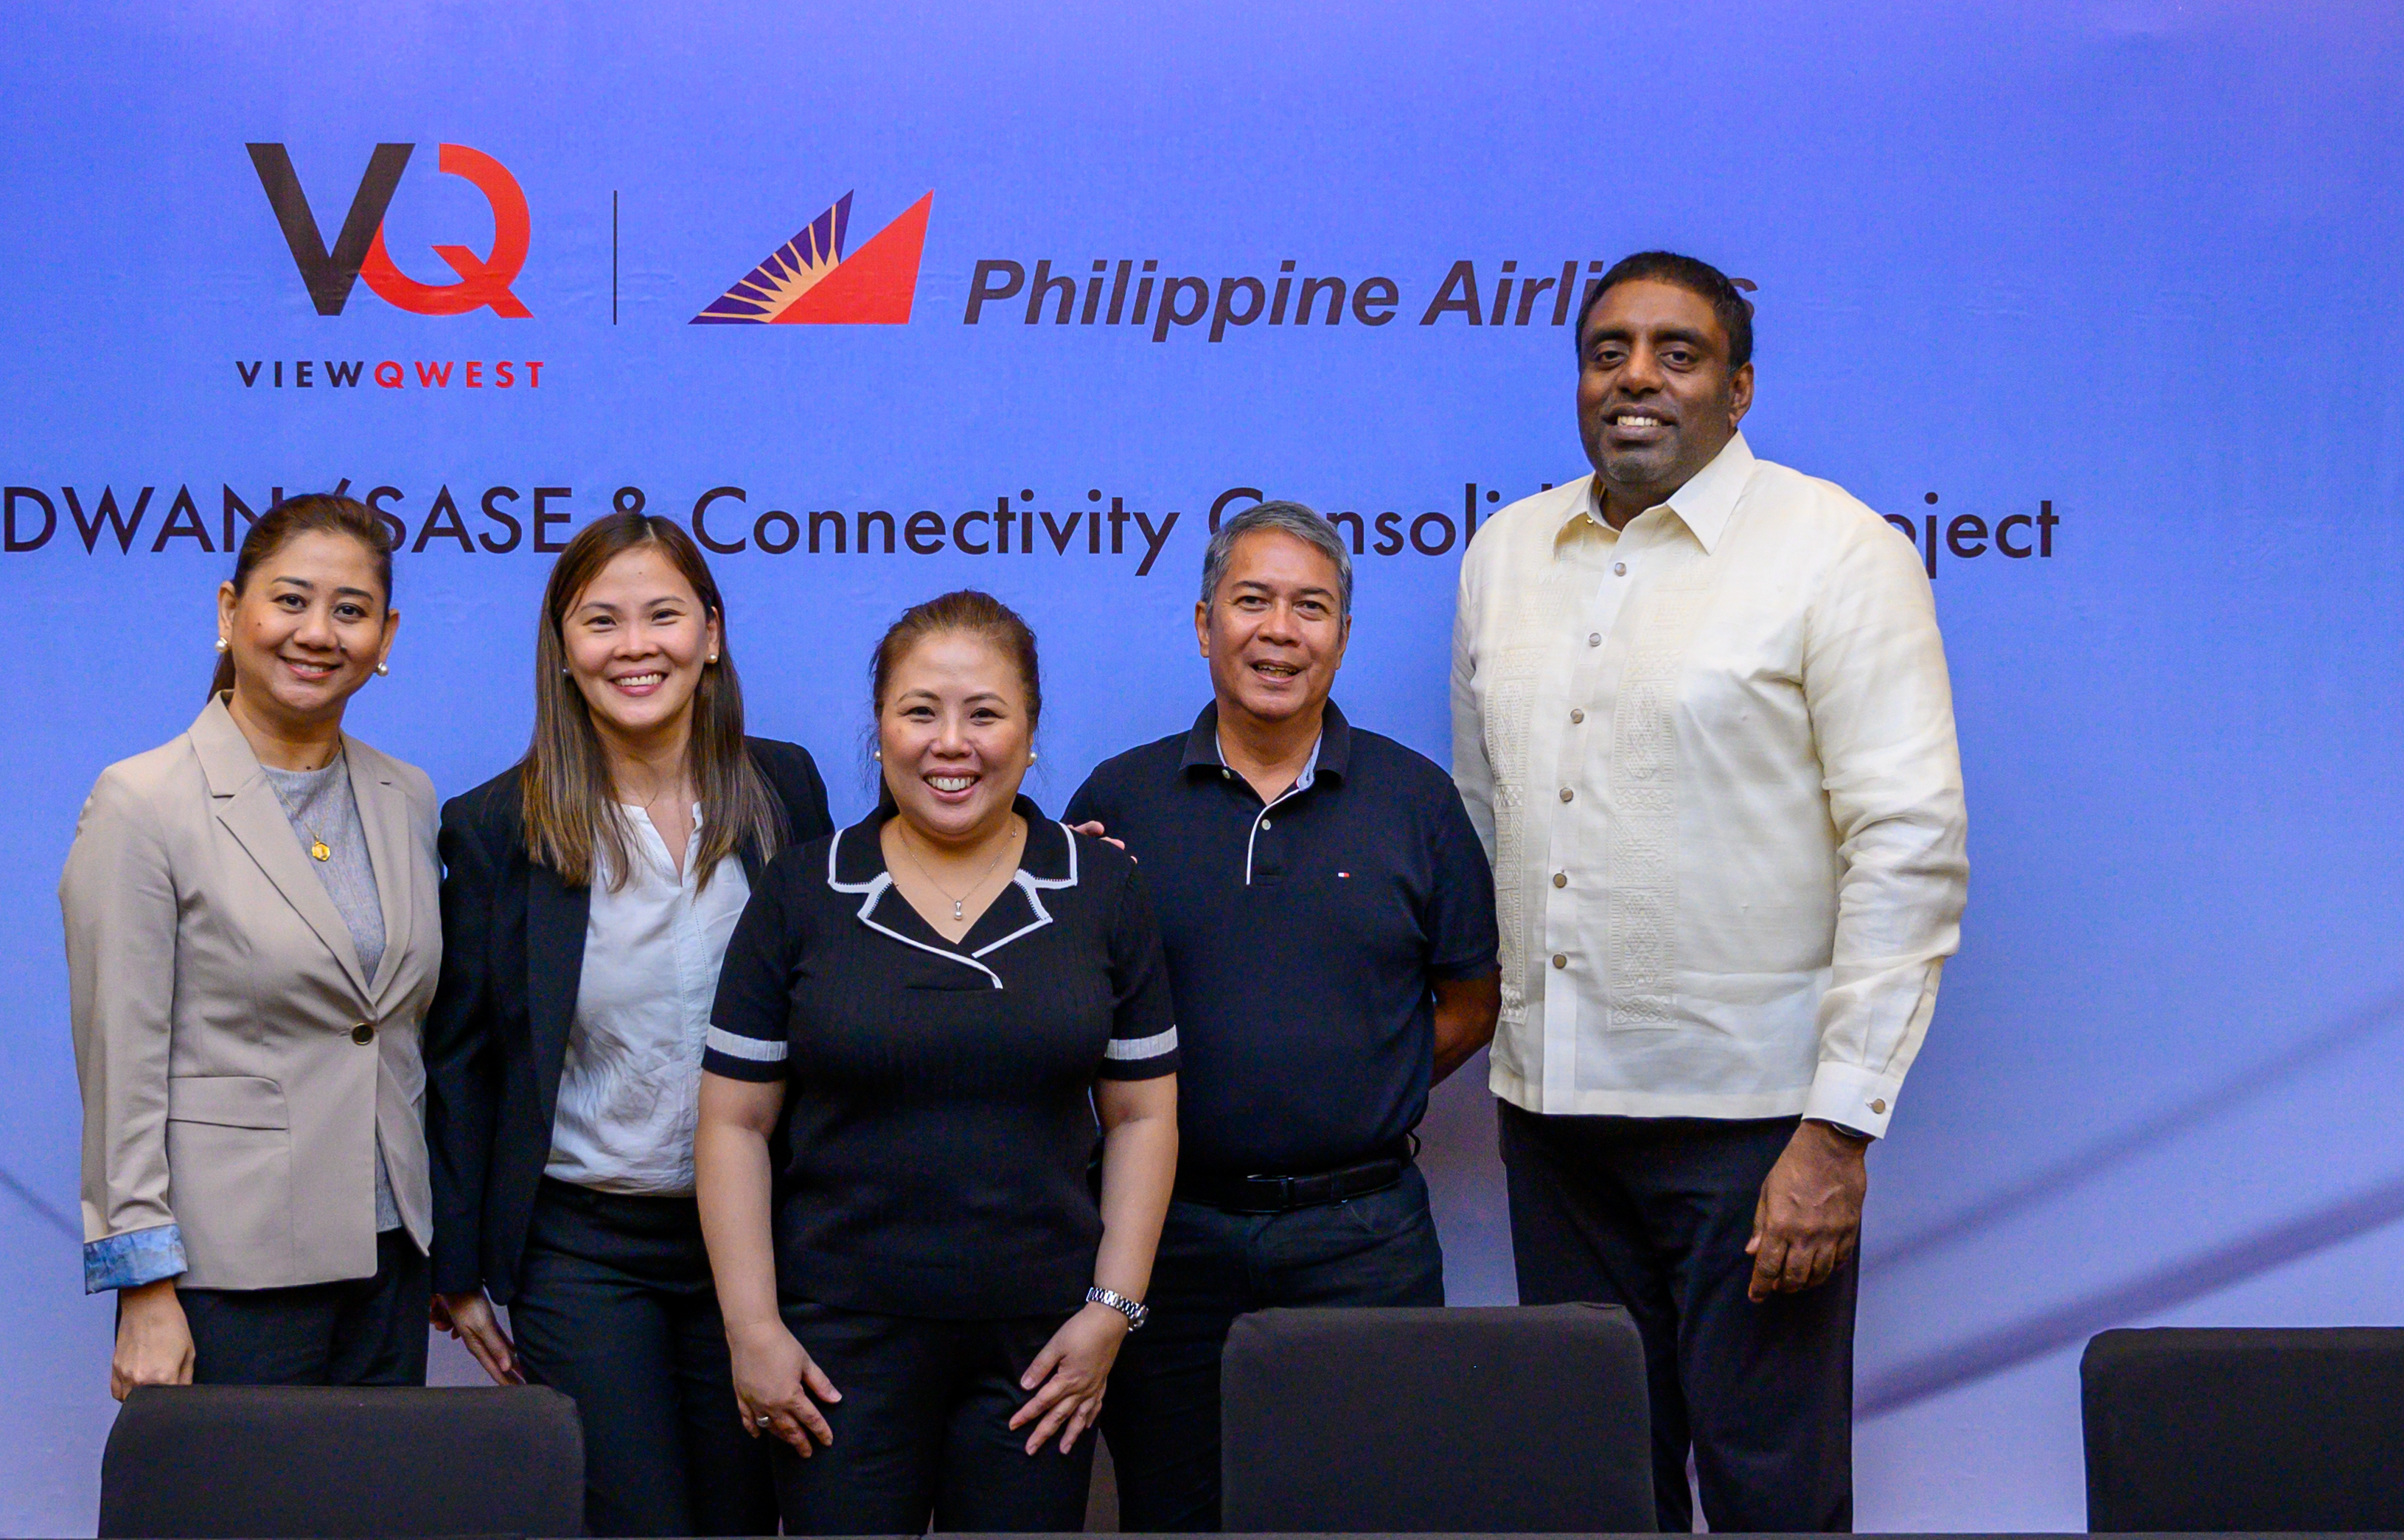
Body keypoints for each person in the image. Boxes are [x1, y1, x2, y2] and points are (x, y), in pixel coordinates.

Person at [1454, 251, 1967, 1531]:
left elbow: (1906, 845)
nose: (1636, 377)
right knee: (1594, 1493)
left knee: (1770, 1492)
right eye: (1607, 349)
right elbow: (1488, 819)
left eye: (1676, 353)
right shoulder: (1507, 552)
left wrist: (1838, 1131)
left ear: (1738, 389)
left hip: (1755, 1132)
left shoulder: (1835, 551)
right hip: (1552, 1119)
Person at [694, 590, 1180, 1536]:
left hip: (1041, 1350)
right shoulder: (805, 888)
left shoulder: (1102, 887)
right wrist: (752, 1327)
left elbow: (1142, 1115)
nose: (950, 742)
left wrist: (1111, 1312)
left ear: (1031, 732)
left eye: (985, 713)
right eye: (920, 710)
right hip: (836, 1348)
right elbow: (733, 1122)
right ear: (879, 729)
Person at [1062, 499, 1503, 1532]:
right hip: (1162, 1235)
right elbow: (1061, 1009)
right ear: (1204, 619)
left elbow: (1471, 1000)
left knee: (1369, 1512)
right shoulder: (1116, 803)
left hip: (1363, 1237)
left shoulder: (1415, 800)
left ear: (1342, 636)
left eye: (1311, 607)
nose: (1279, 629)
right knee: (1175, 1510)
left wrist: (1359, 1081)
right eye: (1251, 599)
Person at [425, 511, 832, 1538]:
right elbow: (463, 1058)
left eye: (663, 614)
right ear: (563, 650)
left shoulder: (785, 787)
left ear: (713, 632)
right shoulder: (497, 826)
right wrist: (460, 1270)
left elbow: (858, 963)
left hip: (756, 1243)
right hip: (584, 1246)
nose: (635, 644)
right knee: (636, 1518)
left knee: (742, 1516)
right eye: (601, 620)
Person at [64, 492, 441, 1396]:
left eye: (350, 611)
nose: (319, 632)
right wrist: (145, 1286)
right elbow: (122, 1063)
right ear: (231, 611)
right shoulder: (144, 799)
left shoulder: (408, 795)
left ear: (385, 637)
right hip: (227, 1273)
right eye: (291, 600)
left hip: (390, 1261)